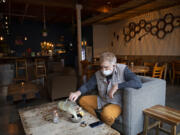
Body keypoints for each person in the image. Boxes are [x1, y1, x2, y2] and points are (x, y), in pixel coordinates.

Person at [69, 52, 142, 126]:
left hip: (116, 103)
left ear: (114, 65)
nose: (103, 70)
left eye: (106, 67)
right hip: (102, 99)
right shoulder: (98, 73)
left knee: (106, 114)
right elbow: (88, 85)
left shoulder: (123, 70)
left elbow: (138, 83)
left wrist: (117, 86)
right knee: (82, 100)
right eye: (101, 67)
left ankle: (104, 128)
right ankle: (96, 121)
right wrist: (77, 93)